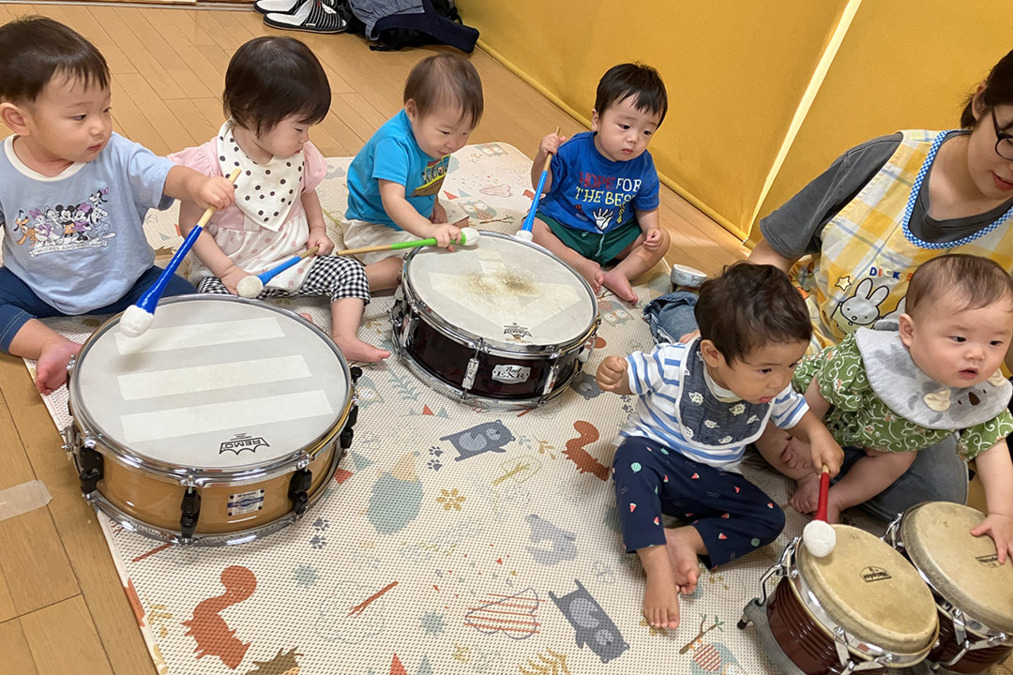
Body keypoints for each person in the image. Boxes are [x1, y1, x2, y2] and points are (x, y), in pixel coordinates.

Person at [651, 49, 1013, 520]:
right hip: (801, 347)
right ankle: (702, 339)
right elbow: (772, 254)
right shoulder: (887, 158)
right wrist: (747, 337)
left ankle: (804, 441)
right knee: (710, 340)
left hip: (911, 393)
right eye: (1010, 139)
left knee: (937, 501)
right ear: (982, 103)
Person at [595, 262, 844, 630]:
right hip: (655, 463)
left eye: (792, 365)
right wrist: (615, 376)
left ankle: (682, 540)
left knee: (771, 518)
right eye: (766, 370)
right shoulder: (674, 363)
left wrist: (818, 434)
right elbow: (631, 377)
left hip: (711, 479)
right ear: (712, 354)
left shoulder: (773, 388)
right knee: (630, 455)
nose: (780, 381)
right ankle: (656, 564)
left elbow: (794, 411)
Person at [0, 16, 236, 395]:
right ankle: (50, 343)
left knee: (192, 302)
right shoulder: (3, 170)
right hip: (36, 285)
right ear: (18, 120)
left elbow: (166, 174)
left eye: (105, 109)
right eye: (79, 116)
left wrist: (199, 184)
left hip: (126, 280)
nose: (99, 127)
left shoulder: (117, 153)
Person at [170, 37, 388, 363]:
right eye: (300, 128)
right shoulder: (209, 164)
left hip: (293, 259)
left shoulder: (300, 153)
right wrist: (227, 271)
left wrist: (317, 230)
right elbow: (191, 226)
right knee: (209, 305)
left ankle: (344, 337)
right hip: (232, 270)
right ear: (250, 113)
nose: (307, 138)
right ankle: (268, 340)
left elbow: (306, 192)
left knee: (350, 272)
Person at [784, 255, 1013, 561]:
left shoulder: (980, 389)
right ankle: (808, 478)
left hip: (888, 444)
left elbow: (992, 447)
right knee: (773, 427)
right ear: (909, 331)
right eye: (959, 338)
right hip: (828, 417)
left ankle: (838, 498)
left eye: (996, 343)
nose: (977, 354)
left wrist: (1002, 514)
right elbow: (821, 388)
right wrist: (805, 437)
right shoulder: (875, 356)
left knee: (900, 459)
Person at [528, 63, 671, 304]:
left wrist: (651, 230)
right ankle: (576, 262)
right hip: (568, 228)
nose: (634, 138)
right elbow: (543, 187)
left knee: (663, 240)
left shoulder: (644, 164)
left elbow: (646, 207)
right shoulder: (575, 149)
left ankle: (619, 274)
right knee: (533, 227)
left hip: (613, 236)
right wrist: (543, 155)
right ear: (597, 120)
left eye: (647, 132)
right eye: (624, 126)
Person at [343, 53, 483, 291]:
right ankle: (345, 282)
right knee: (406, 266)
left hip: (416, 205)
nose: (454, 143)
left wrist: (434, 202)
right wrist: (428, 229)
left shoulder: (435, 137)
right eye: (446, 132)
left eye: (465, 133)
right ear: (412, 111)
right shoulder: (394, 144)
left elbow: (425, 176)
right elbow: (392, 200)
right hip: (374, 222)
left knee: (460, 225)